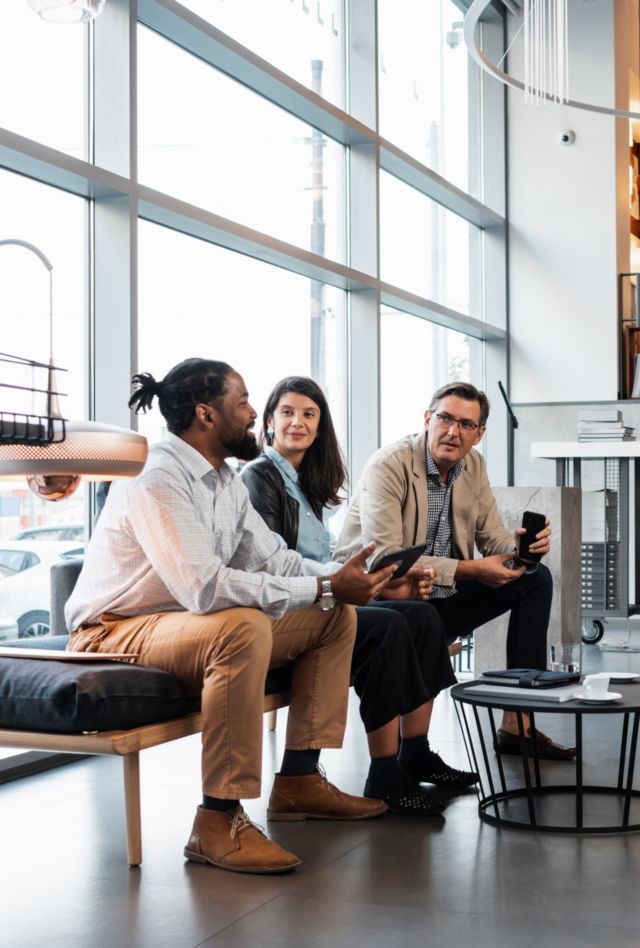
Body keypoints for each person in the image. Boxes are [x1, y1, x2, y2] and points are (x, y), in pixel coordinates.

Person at [65, 358, 406, 876]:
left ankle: (298, 782)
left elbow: (277, 561)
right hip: (113, 630)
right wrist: (324, 585)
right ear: (206, 413)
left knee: (334, 615)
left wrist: (349, 580)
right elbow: (205, 588)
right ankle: (217, 820)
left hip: (177, 624)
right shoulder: (158, 475)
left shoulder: (223, 480)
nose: (253, 414)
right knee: (241, 625)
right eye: (243, 402)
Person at [241, 376, 478, 818]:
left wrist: (380, 586)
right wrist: (350, 587)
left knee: (420, 616)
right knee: (390, 625)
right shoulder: (259, 477)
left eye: (309, 414)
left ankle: (416, 752)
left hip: (323, 595)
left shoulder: (304, 483)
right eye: (288, 413)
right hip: (294, 604)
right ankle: (384, 772)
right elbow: (274, 564)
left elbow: (318, 559)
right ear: (269, 422)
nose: (298, 423)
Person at [335, 381, 575, 761]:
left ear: (478, 435)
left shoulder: (473, 465)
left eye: (466, 424)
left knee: (534, 580)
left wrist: (519, 552)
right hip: (385, 598)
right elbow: (390, 558)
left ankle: (518, 725)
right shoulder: (389, 464)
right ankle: (408, 754)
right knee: (421, 610)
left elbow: (491, 536)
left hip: (439, 594)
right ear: (428, 419)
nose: (453, 431)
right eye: (445, 418)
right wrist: (471, 569)